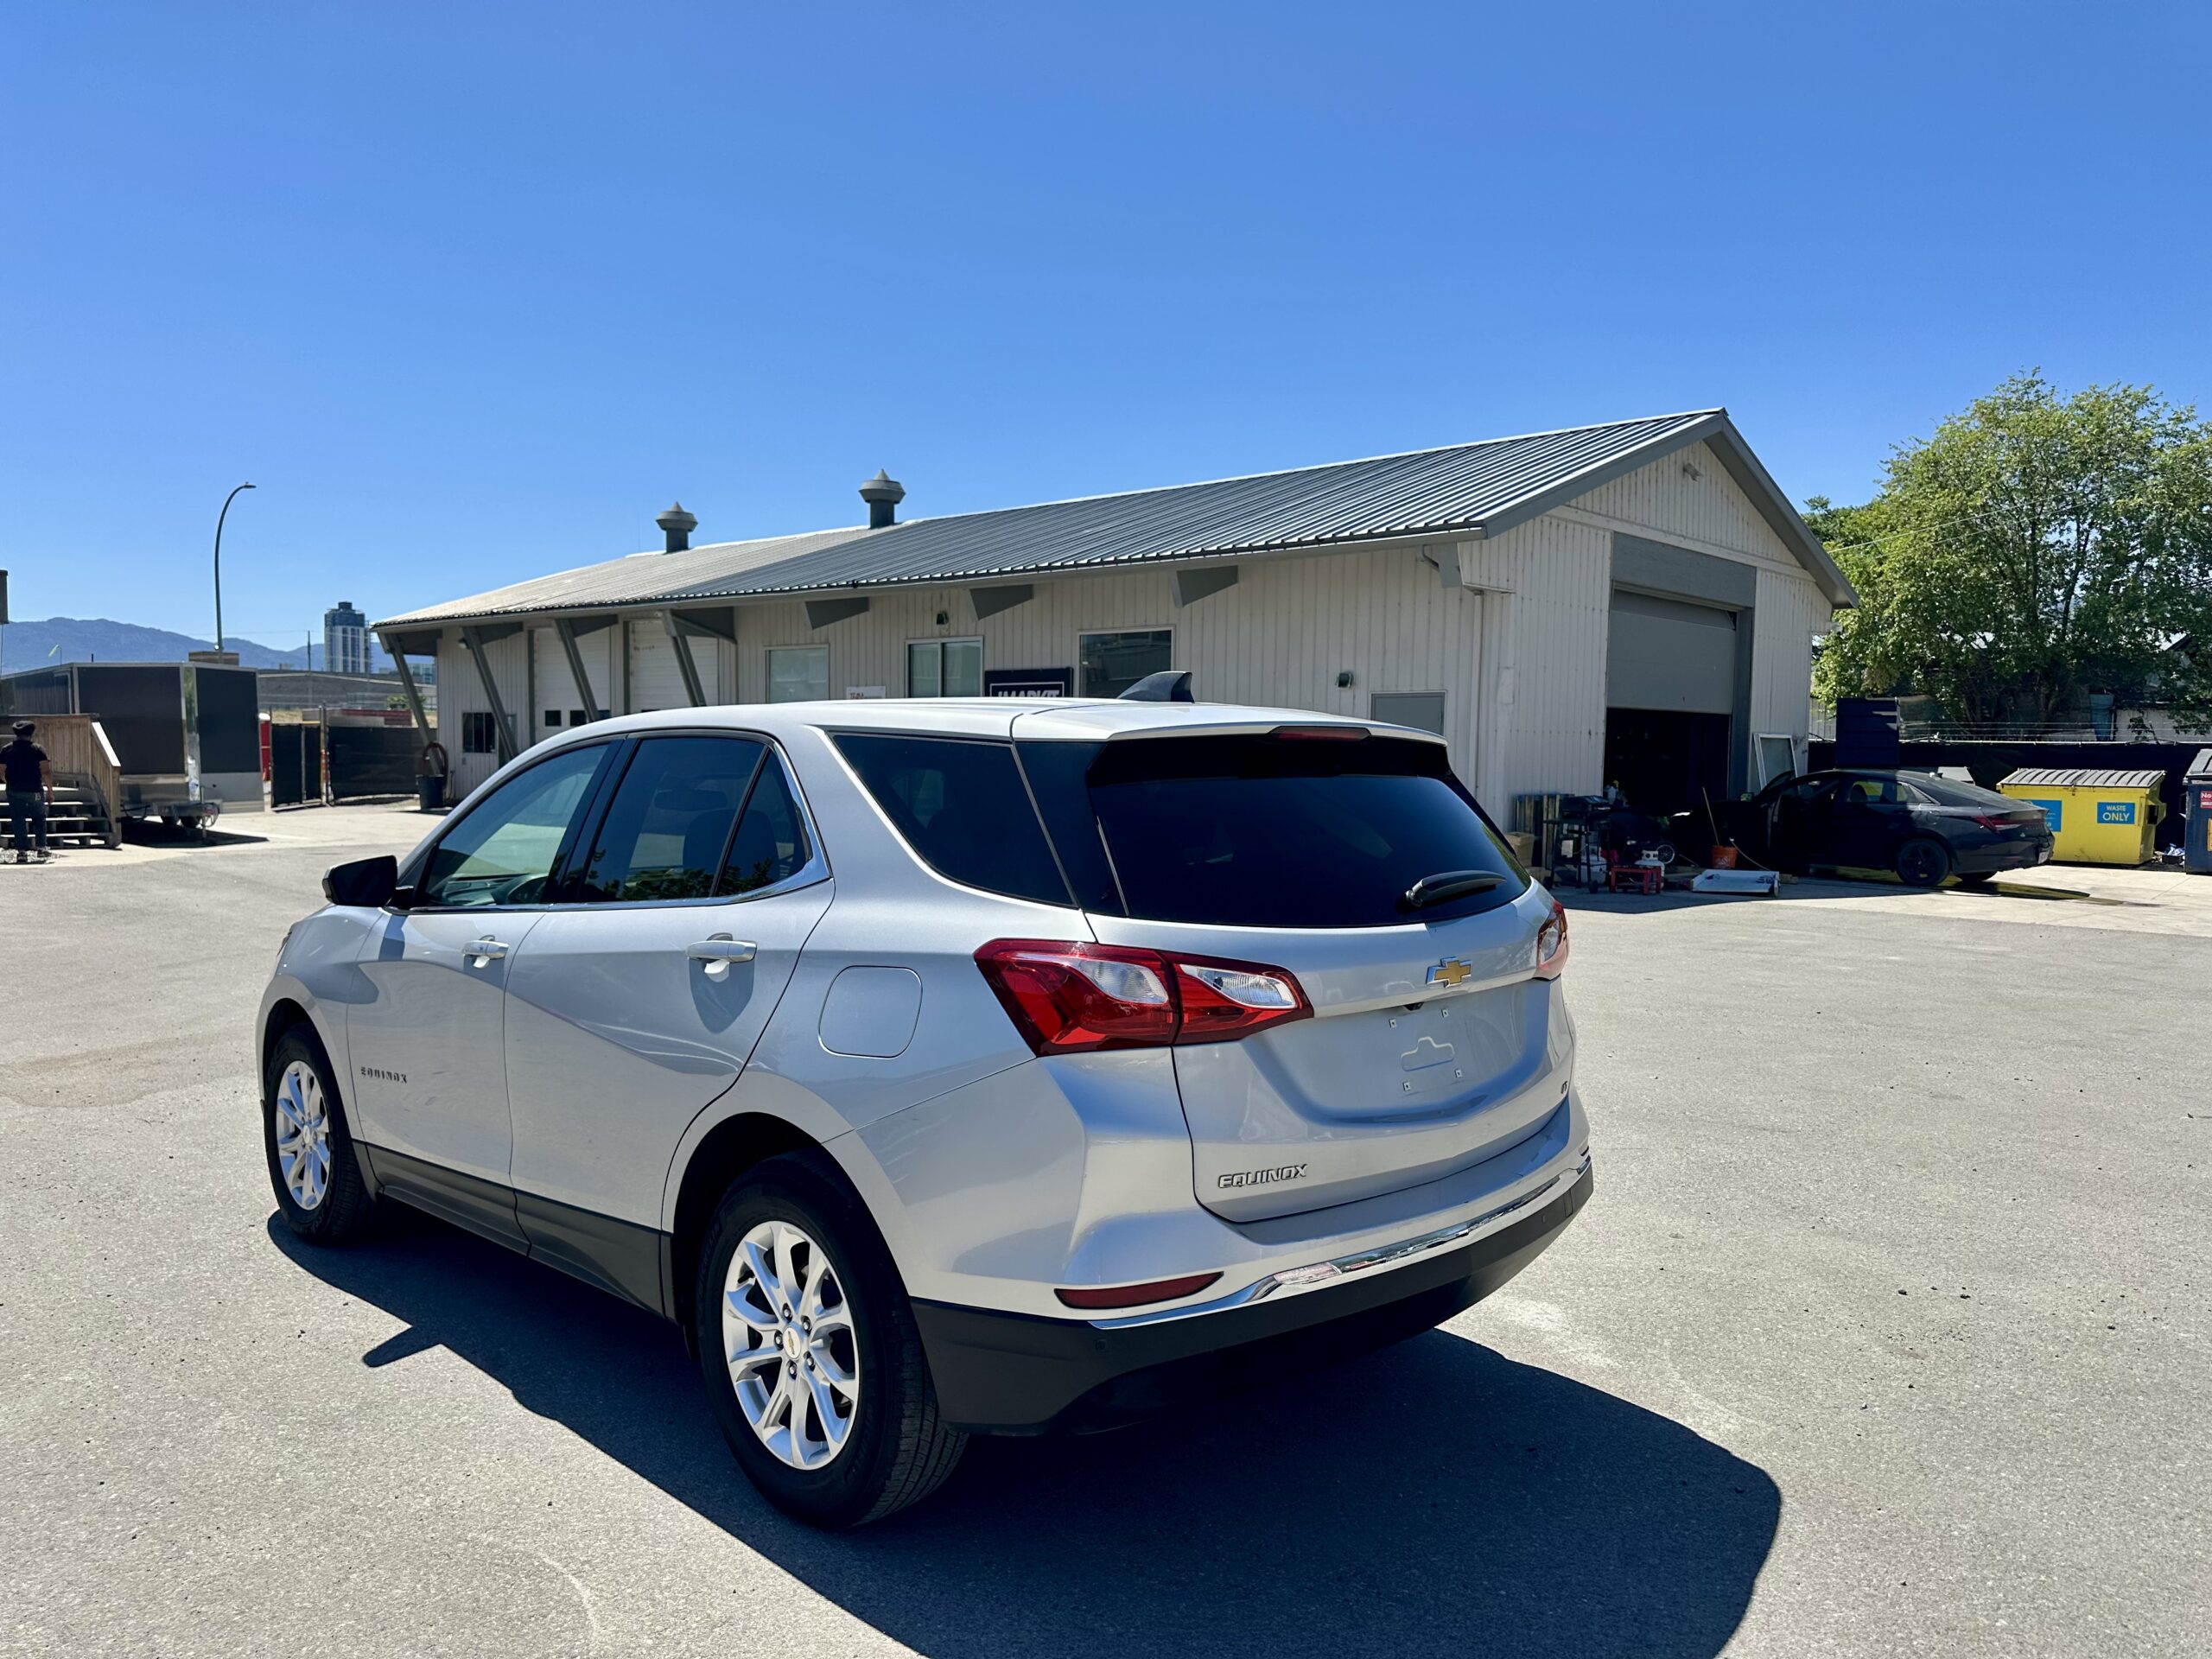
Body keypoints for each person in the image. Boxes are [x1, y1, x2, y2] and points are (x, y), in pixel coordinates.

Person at [4, 719, 54, 863]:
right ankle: (41, 847)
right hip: (35, 790)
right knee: (39, 817)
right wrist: (50, 790)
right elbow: (46, 772)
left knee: (18, 819)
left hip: (14, 789)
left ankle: (21, 851)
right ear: (31, 733)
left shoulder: (7, 750)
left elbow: (1, 771)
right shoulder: (38, 749)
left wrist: (9, 782)